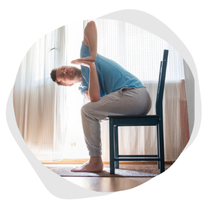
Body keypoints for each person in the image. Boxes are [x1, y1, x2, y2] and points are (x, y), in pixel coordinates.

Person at [50, 21, 152, 172]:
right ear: (68, 84)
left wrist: (91, 56)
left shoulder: (85, 54)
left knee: (87, 111)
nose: (65, 72)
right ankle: (95, 160)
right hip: (133, 100)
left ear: (69, 66)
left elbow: (90, 24)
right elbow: (96, 98)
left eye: (63, 69)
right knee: (90, 111)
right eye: (62, 77)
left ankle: (95, 161)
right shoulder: (83, 88)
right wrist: (91, 66)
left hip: (135, 94)